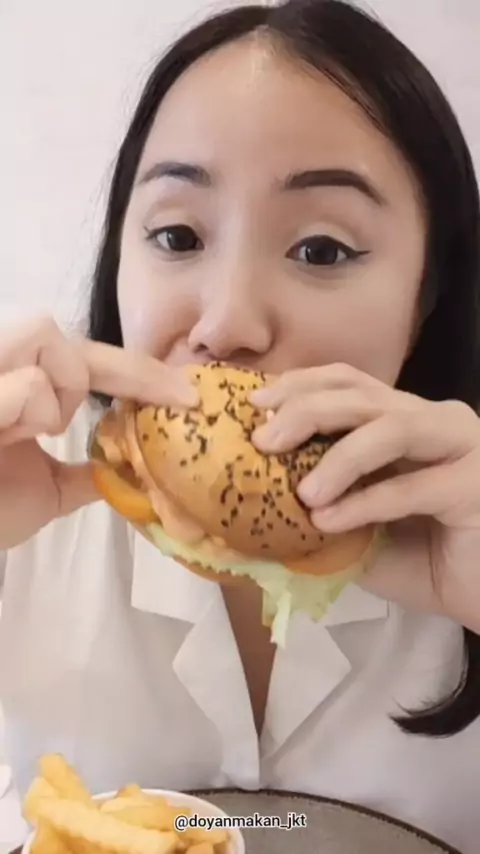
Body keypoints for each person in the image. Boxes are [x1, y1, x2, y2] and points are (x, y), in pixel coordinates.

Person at [1, 0, 480, 850]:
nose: (226, 325)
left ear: (427, 294)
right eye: (177, 235)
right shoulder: (28, 477)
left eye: (321, 250)